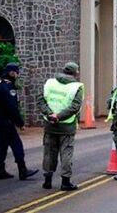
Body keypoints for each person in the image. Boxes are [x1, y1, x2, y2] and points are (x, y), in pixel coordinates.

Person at [38, 62, 83, 191]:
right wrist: (60, 116)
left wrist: (50, 114)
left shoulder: (49, 83)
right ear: (75, 73)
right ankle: (65, 182)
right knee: (66, 153)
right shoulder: (76, 87)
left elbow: (41, 100)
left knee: (49, 153)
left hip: (49, 124)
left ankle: (47, 181)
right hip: (66, 126)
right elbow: (75, 107)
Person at [0, 63, 38, 180]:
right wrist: (20, 123)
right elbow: (12, 107)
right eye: (16, 72)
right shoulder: (9, 87)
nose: (17, 74)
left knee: (1, 145)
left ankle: (0, 170)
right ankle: (22, 170)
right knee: (17, 144)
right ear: (11, 72)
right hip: (6, 121)